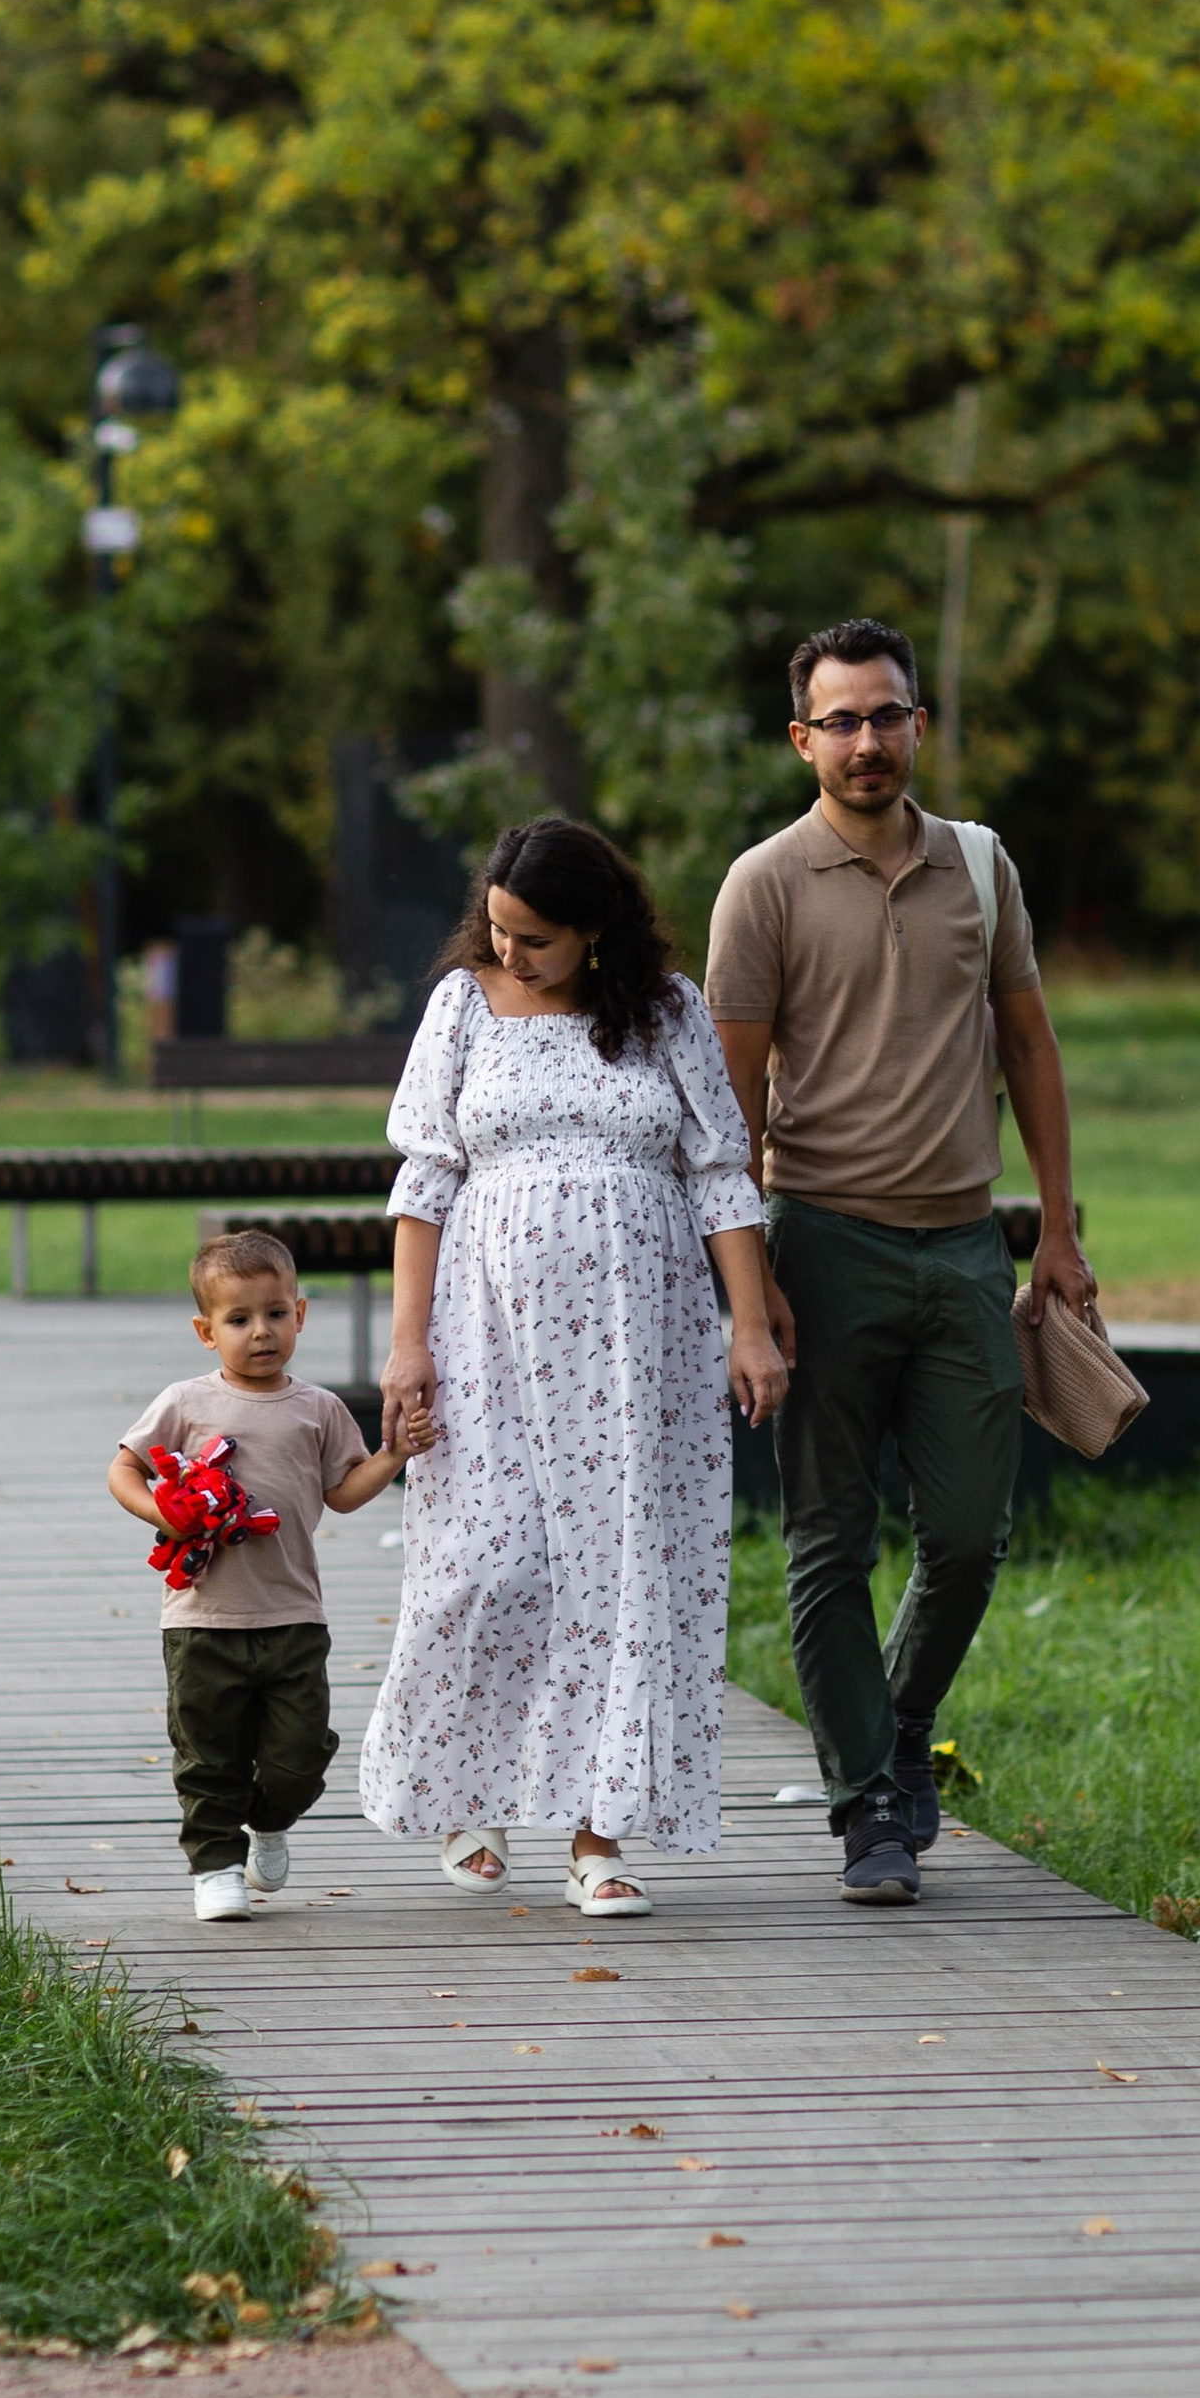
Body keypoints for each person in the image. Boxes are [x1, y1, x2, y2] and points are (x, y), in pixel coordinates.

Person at [705, 616, 1095, 1907]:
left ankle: (895, 1738)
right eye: (842, 720)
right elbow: (730, 1107)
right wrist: (748, 1300)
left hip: (970, 1247)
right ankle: (867, 1798)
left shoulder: (979, 868)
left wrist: (1060, 1232)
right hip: (822, 1240)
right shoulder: (763, 883)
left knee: (971, 1537)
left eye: (888, 715)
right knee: (828, 1535)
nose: (867, 741)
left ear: (919, 724)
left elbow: (1028, 1047)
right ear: (801, 738)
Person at [362, 815, 790, 1917]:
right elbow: (422, 1182)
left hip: (638, 1337)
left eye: (536, 937)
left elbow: (720, 1175)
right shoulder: (461, 1006)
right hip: (485, 1329)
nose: (511, 952)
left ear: (595, 931)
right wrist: (406, 1348)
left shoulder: (665, 1014)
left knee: (627, 1572)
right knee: (488, 1561)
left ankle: (598, 1838)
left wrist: (750, 1324)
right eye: (498, 929)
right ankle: (470, 1786)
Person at [109, 1229, 408, 1923]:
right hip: (202, 1620)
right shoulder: (185, 1403)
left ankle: (270, 1820)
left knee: (298, 1757)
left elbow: (343, 1491)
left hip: (294, 1617)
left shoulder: (319, 1409)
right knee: (206, 1753)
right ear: (205, 1331)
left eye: (275, 1313)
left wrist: (393, 1455)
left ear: (299, 1315)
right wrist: (164, 1511)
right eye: (238, 1319)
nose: (260, 1332)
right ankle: (216, 1866)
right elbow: (123, 1466)